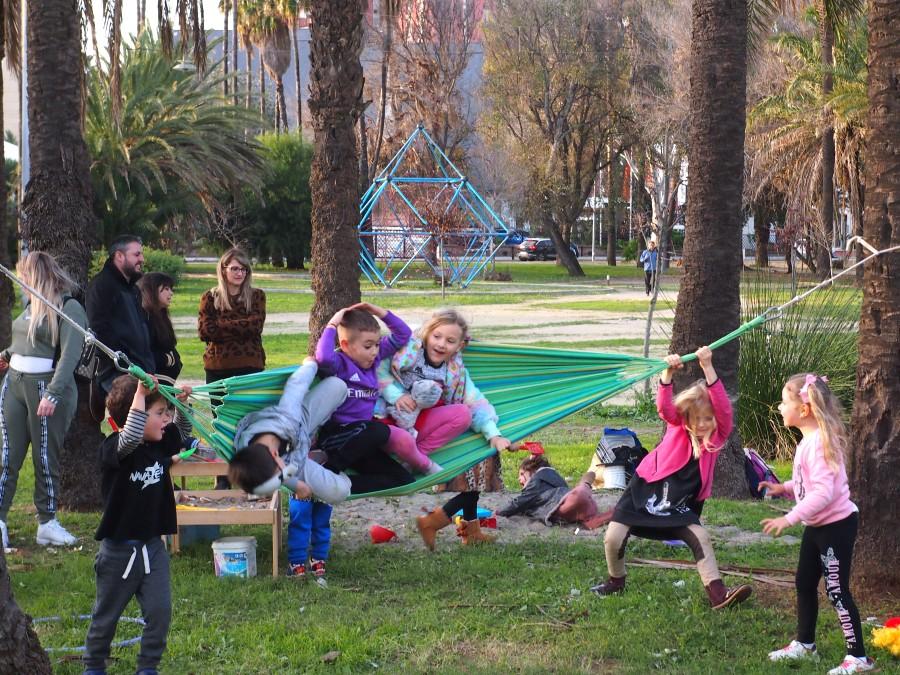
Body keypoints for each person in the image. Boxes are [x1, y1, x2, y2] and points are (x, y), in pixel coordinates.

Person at [590, 347, 753, 610]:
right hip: (646, 489)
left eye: (708, 419)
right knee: (613, 537)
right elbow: (665, 408)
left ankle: (718, 594)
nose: (703, 425)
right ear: (687, 418)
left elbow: (723, 409)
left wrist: (708, 367)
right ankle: (615, 581)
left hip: (679, 500)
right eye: (697, 419)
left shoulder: (716, 438)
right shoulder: (677, 426)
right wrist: (667, 374)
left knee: (700, 538)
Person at [761, 374, 874, 675]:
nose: (780, 408)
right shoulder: (808, 442)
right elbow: (808, 482)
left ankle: (859, 658)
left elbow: (824, 493)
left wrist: (789, 517)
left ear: (804, 410)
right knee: (804, 582)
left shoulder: (819, 443)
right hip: (817, 526)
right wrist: (784, 487)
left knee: (837, 591)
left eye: (784, 402)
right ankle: (805, 644)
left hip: (836, 526)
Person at [375, 309, 512, 550]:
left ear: (459, 346)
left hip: (423, 426)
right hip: (391, 418)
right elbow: (376, 368)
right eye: (437, 336)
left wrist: (494, 434)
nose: (441, 344)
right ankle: (451, 523)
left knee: (462, 414)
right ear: (427, 334)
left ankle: (415, 457)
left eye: (450, 341)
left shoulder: (455, 371)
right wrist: (396, 396)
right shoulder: (405, 352)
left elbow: (474, 400)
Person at [82, 374, 192, 675]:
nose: (165, 419)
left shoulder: (158, 445)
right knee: (106, 616)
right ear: (136, 415)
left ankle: (147, 667)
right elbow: (130, 436)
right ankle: (93, 666)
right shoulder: (113, 449)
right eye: (159, 413)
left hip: (152, 548)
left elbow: (183, 431)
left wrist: (180, 405)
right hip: (118, 553)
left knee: (159, 611)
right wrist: (141, 395)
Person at [0, 251, 87, 549]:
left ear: (36, 275)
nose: (21, 283)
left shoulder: (67, 307)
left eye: (24, 277)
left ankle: (47, 522)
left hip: (45, 390)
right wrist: (6, 357)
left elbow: (70, 355)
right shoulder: (29, 304)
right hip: (14, 385)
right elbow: (22, 342)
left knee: (44, 457)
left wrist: (54, 393)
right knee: (7, 457)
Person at [313, 303, 415, 494]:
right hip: (337, 437)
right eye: (368, 346)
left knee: (404, 480)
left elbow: (403, 334)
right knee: (379, 431)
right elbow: (323, 358)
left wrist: (378, 311)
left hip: (362, 440)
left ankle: (331, 483)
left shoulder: (374, 360)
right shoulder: (339, 362)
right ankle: (330, 468)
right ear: (345, 345)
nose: (375, 351)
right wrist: (332, 324)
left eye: (377, 344)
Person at [227, 357, 351, 505]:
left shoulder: (287, 417)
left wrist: (310, 365)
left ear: (275, 455)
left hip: (300, 425)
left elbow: (296, 386)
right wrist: (297, 486)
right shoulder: (252, 465)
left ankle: (315, 447)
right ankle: (317, 457)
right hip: (297, 462)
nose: (282, 480)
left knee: (338, 386)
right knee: (340, 492)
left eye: (281, 477)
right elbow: (277, 474)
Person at [198, 248, 266, 489]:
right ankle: (223, 476)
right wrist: (240, 326)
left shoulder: (256, 296)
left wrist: (222, 325)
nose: (240, 273)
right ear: (223, 269)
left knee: (248, 422)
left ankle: (249, 475)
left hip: (249, 367)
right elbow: (206, 332)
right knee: (222, 422)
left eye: (244, 269)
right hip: (218, 369)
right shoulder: (210, 297)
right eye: (235, 268)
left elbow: (255, 327)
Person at [86, 235, 155, 394]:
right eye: (136, 254)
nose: (142, 259)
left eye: (141, 254)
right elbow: (99, 331)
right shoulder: (101, 286)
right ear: (119, 256)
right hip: (119, 376)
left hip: (140, 373)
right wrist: (126, 367)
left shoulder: (132, 289)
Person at [497, 454, 608, 529]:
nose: (519, 479)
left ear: (533, 471)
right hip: (577, 506)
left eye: (522, 474)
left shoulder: (537, 480)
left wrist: (499, 512)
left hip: (569, 503)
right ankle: (587, 491)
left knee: (579, 494)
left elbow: (519, 502)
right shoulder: (554, 480)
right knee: (581, 496)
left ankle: (585, 486)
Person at [137, 272, 181, 385]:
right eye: (166, 289)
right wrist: (168, 359)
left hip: (165, 385)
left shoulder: (161, 316)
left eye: (171, 289)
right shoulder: (143, 317)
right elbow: (144, 353)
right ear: (152, 290)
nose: (171, 293)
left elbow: (170, 346)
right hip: (152, 385)